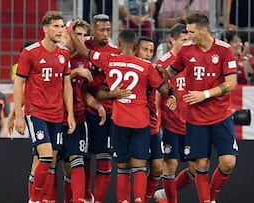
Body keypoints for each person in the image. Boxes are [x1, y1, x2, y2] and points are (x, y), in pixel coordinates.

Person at [70, 27, 176, 203]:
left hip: (119, 121)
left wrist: (71, 32)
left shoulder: (110, 60)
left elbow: (85, 52)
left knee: (122, 168)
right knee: (140, 167)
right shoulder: (147, 66)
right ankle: (140, 199)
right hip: (141, 122)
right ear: (135, 47)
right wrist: (168, 86)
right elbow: (164, 90)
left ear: (118, 44)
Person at [159, 13, 238, 203]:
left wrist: (204, 95)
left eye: (192, 31)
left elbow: (232, 83)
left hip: (220, 116)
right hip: (195, 119)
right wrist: (151, 74)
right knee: (201, 165)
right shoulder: (186, 52)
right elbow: (168, 74)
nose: (189, 35)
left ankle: (210, 197)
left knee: (228, 162)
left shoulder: (224, 50)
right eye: (187, 31)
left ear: (203, 30)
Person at [13, 10, 76, 203]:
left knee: (46, 161)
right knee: (46, 156)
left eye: (61, 26)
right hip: (36, 112)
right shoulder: (30, 52)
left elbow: (67, 84)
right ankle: (35, 199)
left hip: (57, 114)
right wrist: (18, 115)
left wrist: (70, 114)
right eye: (56, 27)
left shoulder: (64, 53)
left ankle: (42, 199)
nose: (59, 30)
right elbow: (19, 83)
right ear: (45, 29)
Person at [153, 23, 197, 203]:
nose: (188, 44)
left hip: (192, 123)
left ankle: (165, 193)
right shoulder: (162, 63)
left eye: (190, 40)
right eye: (184, 40)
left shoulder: (193, 61)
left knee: (197, 168)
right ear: (172, 40)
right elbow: (156, 90)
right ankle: (171, 200)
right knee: (170, 165)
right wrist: (156, 116)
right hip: (170, 124)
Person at [82, 13, 120, 203]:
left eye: (108, 30)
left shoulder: (113, 53)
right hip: (85, 112)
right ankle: (86, 195)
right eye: (101, 30)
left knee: (105, 161)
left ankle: (98, 201)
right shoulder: (82, 45)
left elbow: (107, 89)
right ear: (92, 30)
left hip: (107, 112)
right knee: (84, 159)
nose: (106, 34)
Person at [59, 19, 94, 203]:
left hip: (78, 117)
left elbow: (84, 92)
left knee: (77, 160)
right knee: (63, 166)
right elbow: (50, 84)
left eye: (84, 35)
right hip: (55, 117)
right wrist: (74, 73)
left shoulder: (84, 61)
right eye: (77, 34)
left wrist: (97, 106)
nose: (81, 38)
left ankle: (79, 199)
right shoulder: (59, 55)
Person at [135, 36, 165, 202]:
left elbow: (162, 94)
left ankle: (145, 199)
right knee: (133, 167)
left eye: (150, 51)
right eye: (144, 49)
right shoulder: (131, 70)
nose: (147, 54)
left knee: (157, 168)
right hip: (137, 125)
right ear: (136, 50)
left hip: (154, 125)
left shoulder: (154, 71)